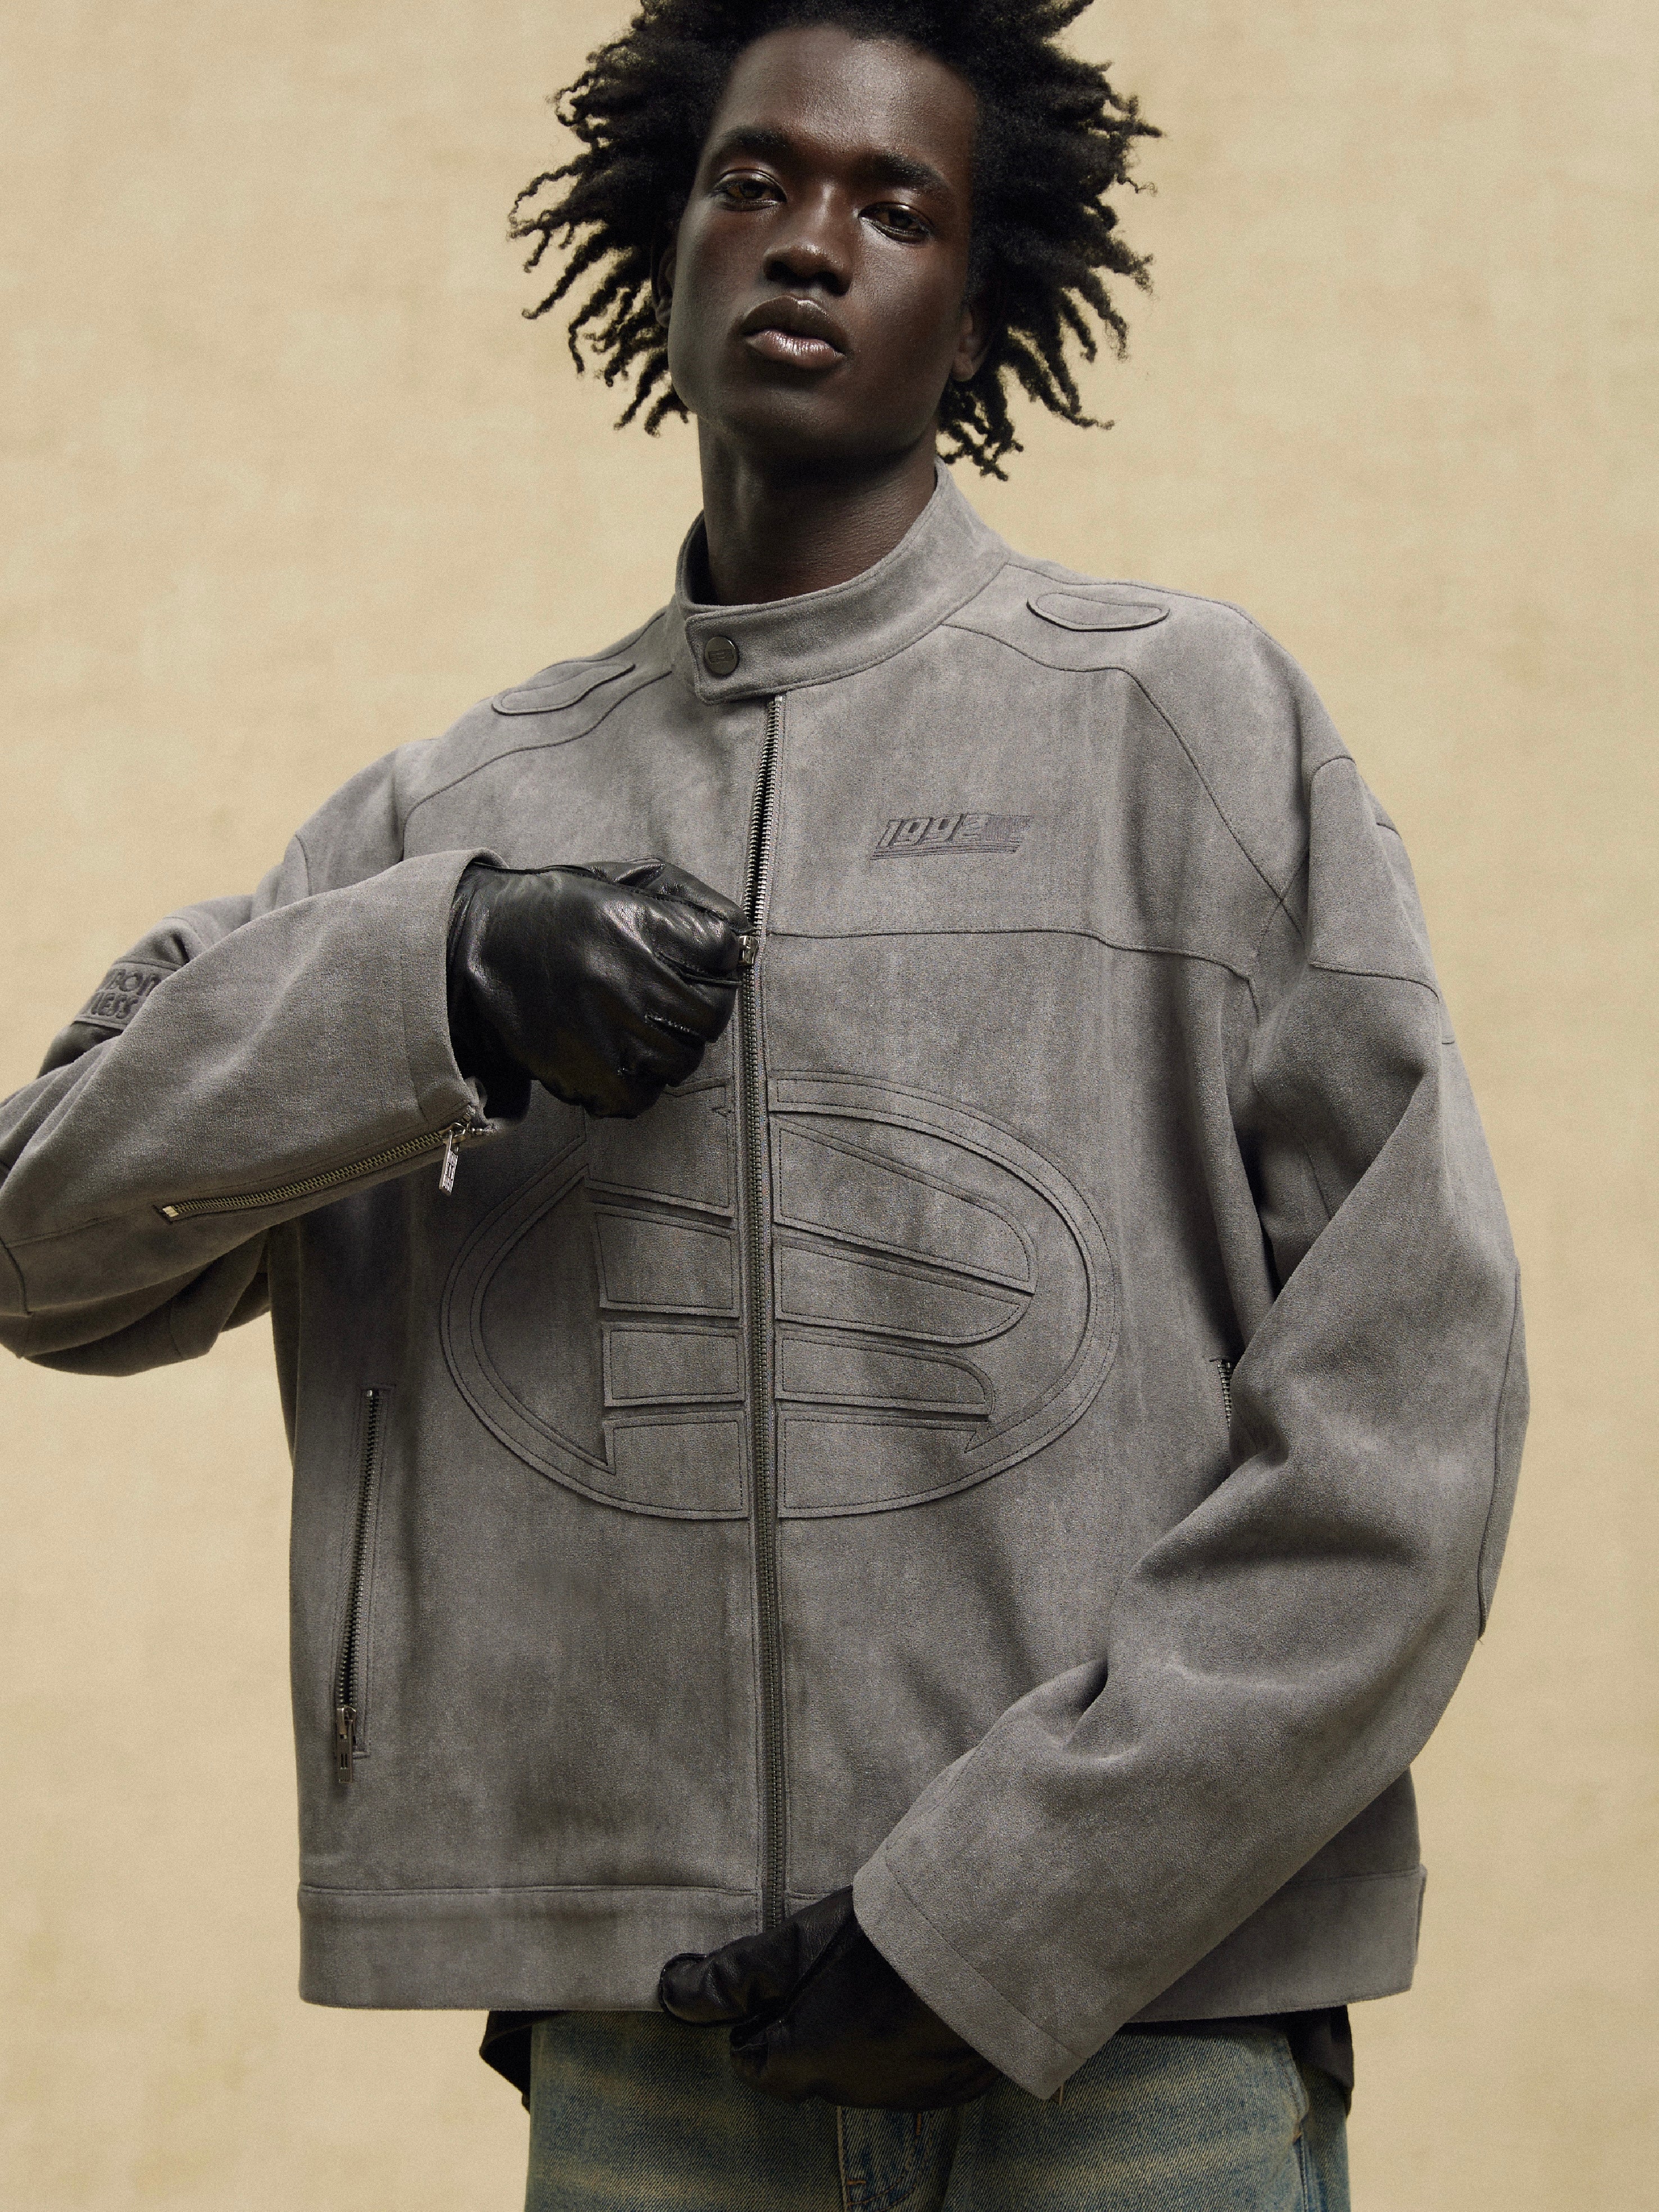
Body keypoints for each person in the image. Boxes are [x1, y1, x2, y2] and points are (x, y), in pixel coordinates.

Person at [0, 2, 1528, 2205]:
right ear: (666, 244)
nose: (810, 240)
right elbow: (46, 1241)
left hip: (1143, 2046)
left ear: (974, 310)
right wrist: (436, 974)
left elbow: (1412, 1413)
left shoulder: (1186, 730)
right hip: (656, 2059)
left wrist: (1014, 1910)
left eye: (893, 206)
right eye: (754, 180)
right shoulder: (448, 811)